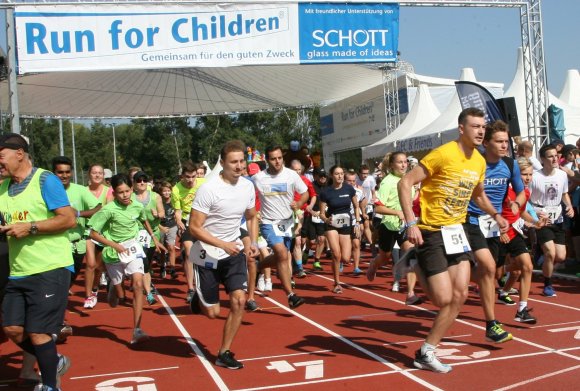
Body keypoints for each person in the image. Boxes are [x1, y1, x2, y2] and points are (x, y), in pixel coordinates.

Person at [398, 108, 508, 373]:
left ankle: (427, 351)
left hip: (457, 231)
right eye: (475, 126)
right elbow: (405, 182)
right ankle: (415, 260)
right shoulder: (444, 154)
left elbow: (478, 195)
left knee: (459, 296)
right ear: (462, 128)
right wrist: (411, 222)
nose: (481, 131)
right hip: (432, 231)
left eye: (483, 127)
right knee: (443, 299)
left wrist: (495, 214)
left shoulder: (479, 162)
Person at [0, 133, 75, 391]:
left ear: (19, 153)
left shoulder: (45, 180)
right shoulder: (3, 188)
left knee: (39, 332)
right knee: (11, 328)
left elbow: (68, 219)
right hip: (19, 271)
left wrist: (30, 227)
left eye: (1, 156)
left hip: (50, 268)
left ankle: (51, 386)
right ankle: (54, 361)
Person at [188, 140, 259, 370]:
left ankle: (223, 352)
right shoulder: (209, 189)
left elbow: (251, 216)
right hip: (207, 253)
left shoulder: (248, 186)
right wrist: (222, 244)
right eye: (234, 162)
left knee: (238, 300)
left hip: (233, 252)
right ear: (222, 163)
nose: (239, 166)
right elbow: (194, 228)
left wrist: (253, 241)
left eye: (242, 161)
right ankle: (199, 300)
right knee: (212, 312)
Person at [464, 120, 527, 344]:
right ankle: (491, 324)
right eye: (499, 142)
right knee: (489, 267)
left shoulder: (510, 165)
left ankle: (455, 271)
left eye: (506, 142)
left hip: (493, 222)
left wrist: (517, 205)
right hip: (470, 220)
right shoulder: (474, 162)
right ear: (486, 143)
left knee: (494, 274)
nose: (504, 146)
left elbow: (520, 192)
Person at [88, 173, 161, 345]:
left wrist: (154, 238)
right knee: (116, 300)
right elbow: (93, 233)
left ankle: (137, 329)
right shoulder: (108, 210)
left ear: (132, 189)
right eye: (121, 192)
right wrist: (114, 245)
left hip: (133, 248)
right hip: (113, 253)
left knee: (137, 283)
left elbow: (144, 220)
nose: (125, 195)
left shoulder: (136, 206)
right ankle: (114, 286)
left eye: (128, 191)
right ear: (114, 193)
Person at [253, 146, 308, 309]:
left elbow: (305, 193)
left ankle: (258, 267)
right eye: (273, 159)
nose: (277, 162)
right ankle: (291, 295)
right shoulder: (258, 178)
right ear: (266, 160)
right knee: (282, 254)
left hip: (287, 223)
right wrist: (254, 211)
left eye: (279, 158)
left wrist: (299, 203)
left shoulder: (291, 175)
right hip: (269, 222)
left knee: (281, 257)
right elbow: (246, 194)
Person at [367, 152, 421, 305]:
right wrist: (397, 212)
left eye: (405, 162)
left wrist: (416, 191)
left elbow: (409, 202)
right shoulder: (387, 182)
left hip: (405, 225)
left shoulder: (408, 180)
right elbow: (378, 208)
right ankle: (374, 264)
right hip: (388, 225)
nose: (404, 165)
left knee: (411, 255)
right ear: (392, 165)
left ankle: (411, 293)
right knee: (385, 257)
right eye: (400, 162)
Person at [498, 157, 542, 323]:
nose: (528, 178)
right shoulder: (504, 189)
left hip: (514, 232)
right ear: (516, 174)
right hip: (499, 232)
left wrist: (536, 222)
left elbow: (521, 212)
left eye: (530, 174)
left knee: (527, 265)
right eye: (524, 174)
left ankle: (522, 309)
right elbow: (493, 211)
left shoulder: (525, 192)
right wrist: (499, 230)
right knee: (493, 273)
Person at [529, 143, 574, 297]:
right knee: (551, 253)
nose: (555, 158)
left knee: (560, 256)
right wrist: (536, 214)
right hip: (542, 218)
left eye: (556, 155)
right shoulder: (534, 176)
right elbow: (526, 199)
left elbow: (564, 194)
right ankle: (548, 285)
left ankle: (540, 252)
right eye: (550, 156)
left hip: (558, 217)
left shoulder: (561, 175)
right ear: (542, 159)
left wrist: (569, 206)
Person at [319, 165, 360, 293]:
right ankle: (337, 283)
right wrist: (326, 219)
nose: (340, 176)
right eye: (337, 174)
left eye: (342, 173)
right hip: (331, 225)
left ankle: (338, 263)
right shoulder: (326, 192)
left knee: (346, 258)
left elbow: (356, 206)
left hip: (346, 225)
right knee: (336, 254)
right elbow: (321, 213)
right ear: (332, 175)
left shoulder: (349, 189)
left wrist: (358, 222)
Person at [172, 162, 206, 302]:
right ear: (182, 176)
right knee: (188, 252)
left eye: (193, 176)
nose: (191, 180)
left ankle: (204, 284)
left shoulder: (204, 183)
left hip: (204, 220)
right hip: (187, 221)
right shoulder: (176, 189)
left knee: (205, 253)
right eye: (187, 177)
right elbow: (177, 210)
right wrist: (179, 221)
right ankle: (191, 288)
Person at [132, 171, 165, 305]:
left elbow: (162, 213)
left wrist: (158, 214)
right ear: (134, 183)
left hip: (153, 234)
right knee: (142, 261)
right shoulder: (131, 197)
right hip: (136, 233)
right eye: (139, 181)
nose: (142, 183)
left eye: (144, 180)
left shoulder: (155, 196)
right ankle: (148, 292)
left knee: (147, 262)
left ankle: (143, 282)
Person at [84, 164, 110, 309]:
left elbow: (111, 209)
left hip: (102, 232)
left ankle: (95, 288)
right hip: (87, 231)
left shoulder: (108, 191)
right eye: (94, 172)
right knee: (90, 264)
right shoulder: (83, 191)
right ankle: (88, 295)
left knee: (99, 267)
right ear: (89, 174)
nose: (97, 175)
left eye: (100, 173)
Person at [289, 159, 317, 278]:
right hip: (287, 213)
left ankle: (299, 267)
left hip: (301, 214)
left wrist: (310, 206)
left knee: (299, 241)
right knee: (289, 243)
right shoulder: (285, 180)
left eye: (299, 170)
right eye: (294, 170)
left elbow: (313, 195)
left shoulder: (305, 180)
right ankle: (288, 265)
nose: (297, 172)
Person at [344, 170, 366, 275]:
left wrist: (362, 216)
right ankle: (341, 261)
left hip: (354, 220)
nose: (352, 183)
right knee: (344, 246)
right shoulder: (340, 191)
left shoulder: (359, 191)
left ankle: (356, 267)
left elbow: (361, 204)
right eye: (349, 181)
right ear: (345, 180)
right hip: (343, 221)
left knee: (356, 244)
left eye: (353, 181)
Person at [159, 181, 178, 279]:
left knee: (171, 247)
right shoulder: (159, 202)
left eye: (168, 191)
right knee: (162, 249)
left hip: (172, 226)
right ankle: (162, 266)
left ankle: (173, 268)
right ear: (161, 192)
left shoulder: (174, 201)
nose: (167, 193)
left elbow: (178, 212)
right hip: (161, 226)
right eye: (164, 191)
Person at [356, 164, 377, 248]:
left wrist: (374, 199)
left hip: (369, 205)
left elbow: (373, 191)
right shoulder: (356, 180)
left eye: (367, 173)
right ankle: (369, 243)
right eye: (363, 173)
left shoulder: (371, 179)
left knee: (371, 224)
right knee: (365, 225)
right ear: (359, 173)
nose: (365, 175)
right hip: (359, 205)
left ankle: (367, 240)